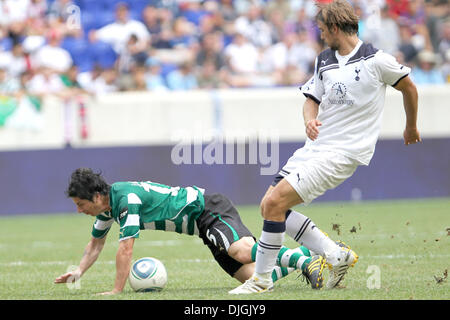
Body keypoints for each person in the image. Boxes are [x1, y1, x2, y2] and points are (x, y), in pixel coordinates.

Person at [230, 0, 421, 295]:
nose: (320, 36)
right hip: (315, 148)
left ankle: (261, 280)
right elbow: (311, 99)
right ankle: (335, 255)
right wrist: (310, 120)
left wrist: (410, 126)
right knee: (269, 206)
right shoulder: (325, 60)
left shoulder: (376, 60)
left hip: (343, 153)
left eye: (321, 30)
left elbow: (409, 86)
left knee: (276, 203)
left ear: (334, 28)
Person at [54, 168, 326, 295]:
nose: (79, 210)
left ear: (98, 195)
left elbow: (126, 247)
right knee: (253, 278)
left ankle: (305, 261)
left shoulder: (126, 200)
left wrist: (116, 291)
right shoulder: (107, 209)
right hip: (201, 226)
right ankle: (305, 252)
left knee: (240, 251)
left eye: (81, 204)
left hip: (207, 209)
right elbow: (95, 245)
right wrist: (79, 271)